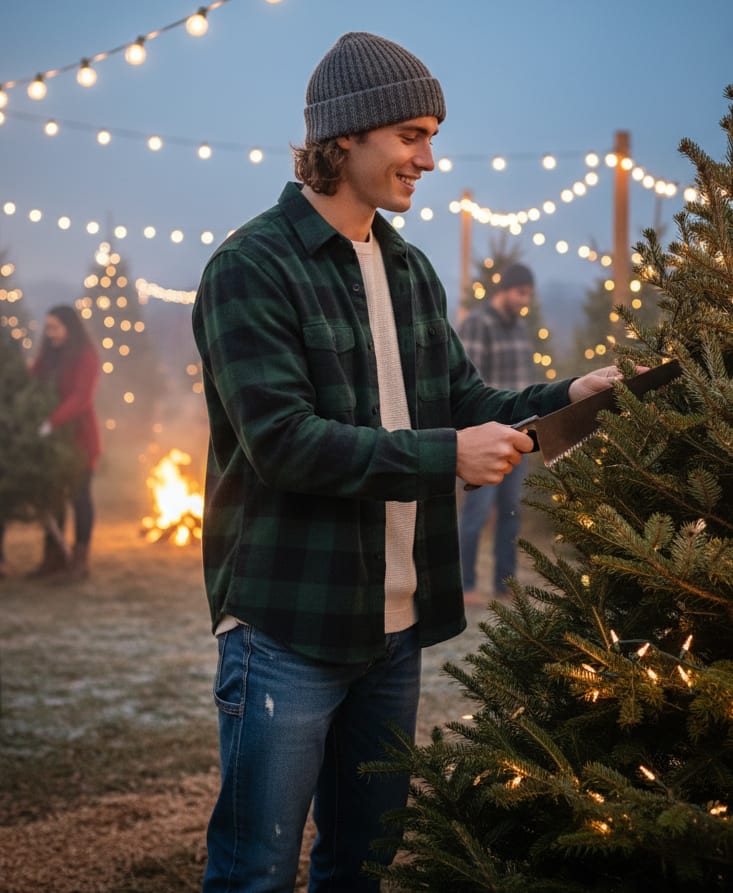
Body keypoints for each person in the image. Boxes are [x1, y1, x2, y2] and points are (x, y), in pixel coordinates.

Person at [192, 31, 626, 893]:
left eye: (431, 134)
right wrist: (444, 457)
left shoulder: (409, 270)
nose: (428, 157)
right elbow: (281, 441)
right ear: (343, 136)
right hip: (289, 623)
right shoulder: (251, 268)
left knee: (361, 862)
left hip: (396, 629)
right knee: (256, 870)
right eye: (411, 134)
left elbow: (463, 405)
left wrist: (581, 390)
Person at [457, 262, 537, 604]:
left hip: (520, 437)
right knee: (476, 513)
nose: (525, 300)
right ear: (504, 290)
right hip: (488, 438)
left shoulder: (520, 328)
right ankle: (467, 584)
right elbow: (468, 386)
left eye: (529, 295)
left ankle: (506, 584)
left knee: (510, 512)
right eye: (521, 293)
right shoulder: (478, 324)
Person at [28, 304, 101, 580]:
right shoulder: (47, 357)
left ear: (70, 327)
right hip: (52, 444)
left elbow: (81, 398)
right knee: (52, 497)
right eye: (47, 328)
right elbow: (33, 383)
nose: (50, 334)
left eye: (55, 327)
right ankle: (54, 557)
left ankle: (80, 560)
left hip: (80, 442)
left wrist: (51, 422)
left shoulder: (86, 356)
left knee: (80, 498)